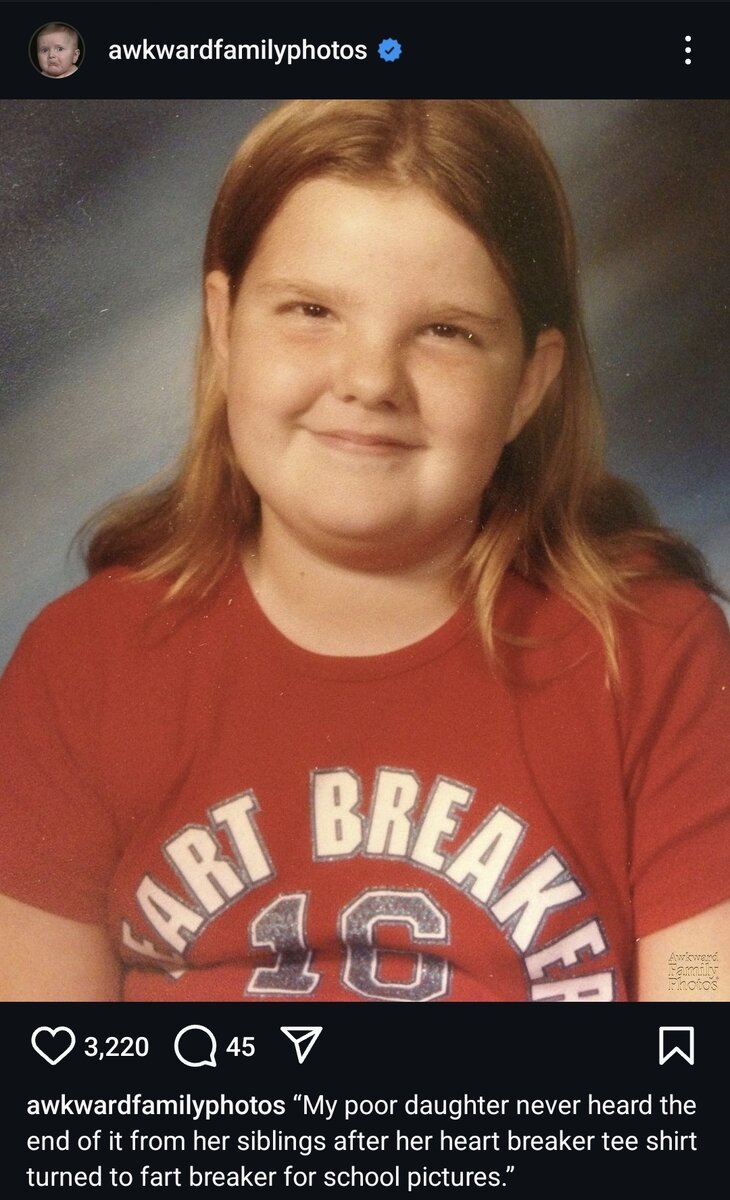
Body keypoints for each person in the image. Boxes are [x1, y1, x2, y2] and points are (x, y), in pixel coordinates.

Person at [0, 100, 727, 1003]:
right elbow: (45, 1059)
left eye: (446, 331)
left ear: (529, 384)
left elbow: (700, 1005)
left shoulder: (652, 655)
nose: (371, 379)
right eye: (312, 311)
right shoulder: (85, 666)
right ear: (225, 325)